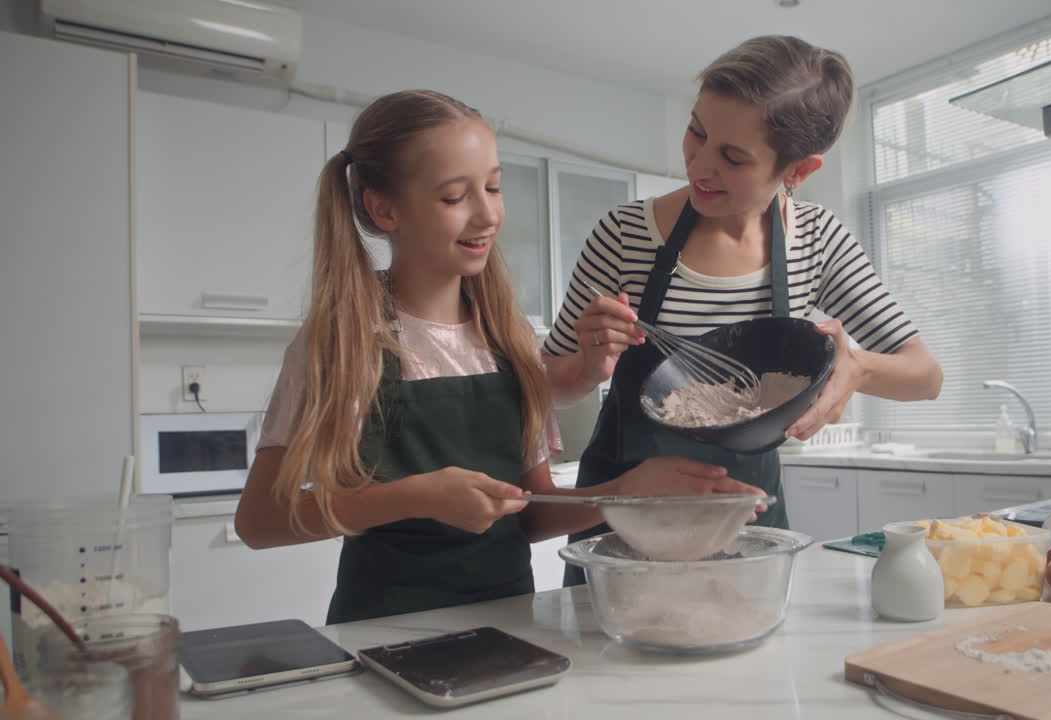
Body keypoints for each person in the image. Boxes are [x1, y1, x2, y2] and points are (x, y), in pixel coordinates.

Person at [234, 90, 759, 624]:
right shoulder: (343, 339)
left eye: (493, 187)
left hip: (510, 628)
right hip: (383, 631)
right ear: (383, 208)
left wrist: (628, 491)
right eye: (454, 197)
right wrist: (413, 496)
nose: (488, 215)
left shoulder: (509, 339)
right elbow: (259, 521)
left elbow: (527, 517)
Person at [542, 36, 944, 585]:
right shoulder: (624, 236)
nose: (699, 166)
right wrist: (589, 366)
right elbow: (550, 387)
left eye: (732, 157)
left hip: (745, 524)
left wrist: (860, 367)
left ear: (798, 170)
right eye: (696, 132)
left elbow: (926, 377)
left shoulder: (816, 240)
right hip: (624, 525)